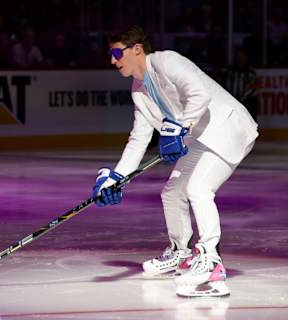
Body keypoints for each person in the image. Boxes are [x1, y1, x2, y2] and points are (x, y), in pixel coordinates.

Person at [92, 26, 258, 297]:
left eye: (115, 52)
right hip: (202, 139)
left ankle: (211, 262)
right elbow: (138, 140)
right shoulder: (139, 91)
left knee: (198, 189)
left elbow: (200, 93)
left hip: (229, 129)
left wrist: (180, 126)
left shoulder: (167, 61)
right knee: (172, 192)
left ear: (136, 49)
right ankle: (182, 253)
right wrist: (116, 176)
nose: (112, 60)